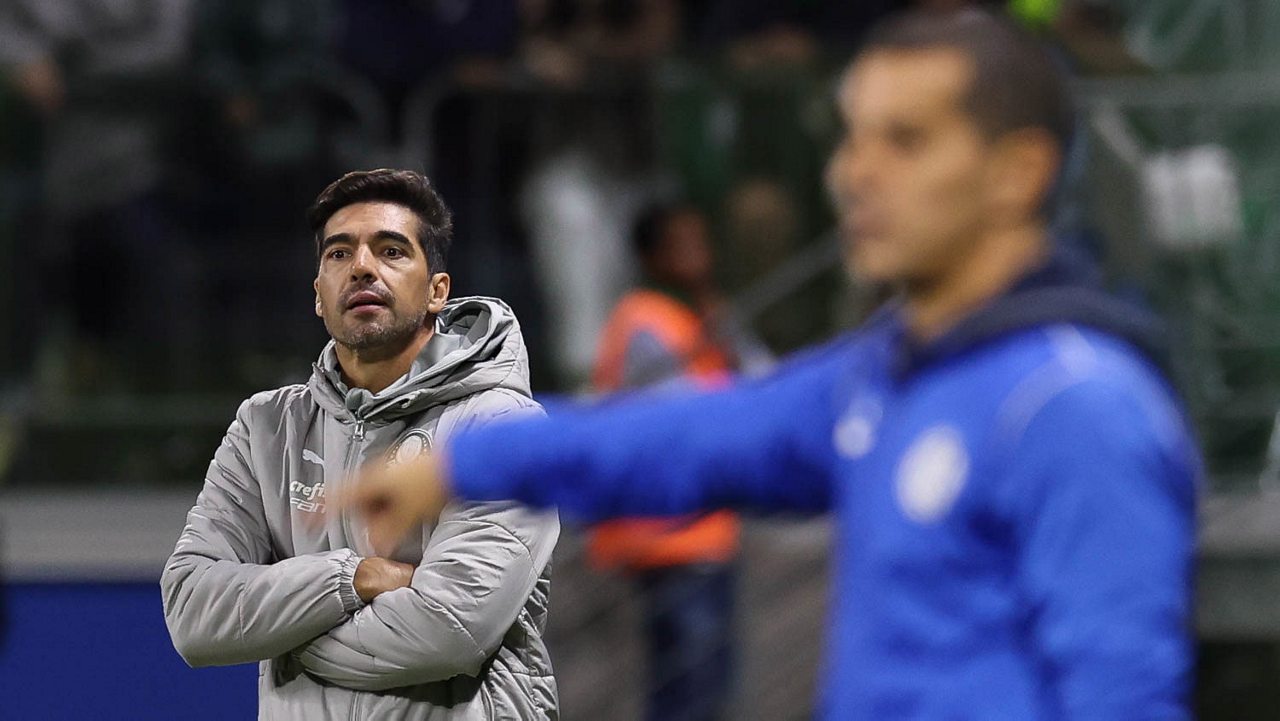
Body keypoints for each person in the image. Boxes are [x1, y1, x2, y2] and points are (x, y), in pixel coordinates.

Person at [339, 9, 1199, 719]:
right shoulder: (887, 374)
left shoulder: (1075, 406)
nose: (854, 174)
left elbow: (1125, 697)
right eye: (852, 136)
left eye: (906, 141)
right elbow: (685, 435)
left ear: (1019, 173)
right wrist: (464, 459)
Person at [160, 169, 560, 718]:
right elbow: (192, 614)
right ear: (319, 296)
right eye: (339, 254)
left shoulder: (501, 430)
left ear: (437, 292)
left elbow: (448, 631)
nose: (362, 267)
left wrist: (283, 635)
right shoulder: (265, 427)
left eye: (391, 251)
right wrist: (352, 578)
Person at [590, 203, 744, 721]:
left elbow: (761, 383)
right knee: (691, 695)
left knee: (703, 690)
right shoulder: (644, 322)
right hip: (669, 541)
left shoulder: (695, 318)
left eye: (701, 241)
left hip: (702, 536)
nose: (699, 255)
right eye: (682, 244)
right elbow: (687, 421)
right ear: (651, 258)